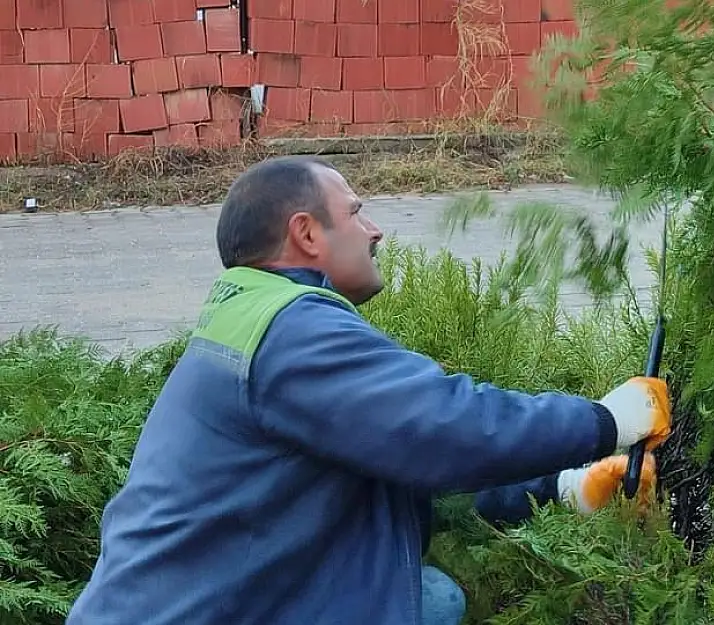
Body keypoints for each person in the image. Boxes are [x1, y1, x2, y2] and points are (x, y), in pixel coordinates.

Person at [66, 156, 671, 625]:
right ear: (306, 233)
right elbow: (445, 427)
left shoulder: (258, 317)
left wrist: (563, 487)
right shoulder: (293, 329)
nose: (376, 230)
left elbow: (400, 471)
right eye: (356, 212)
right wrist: (606, 421)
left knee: (429, 599)